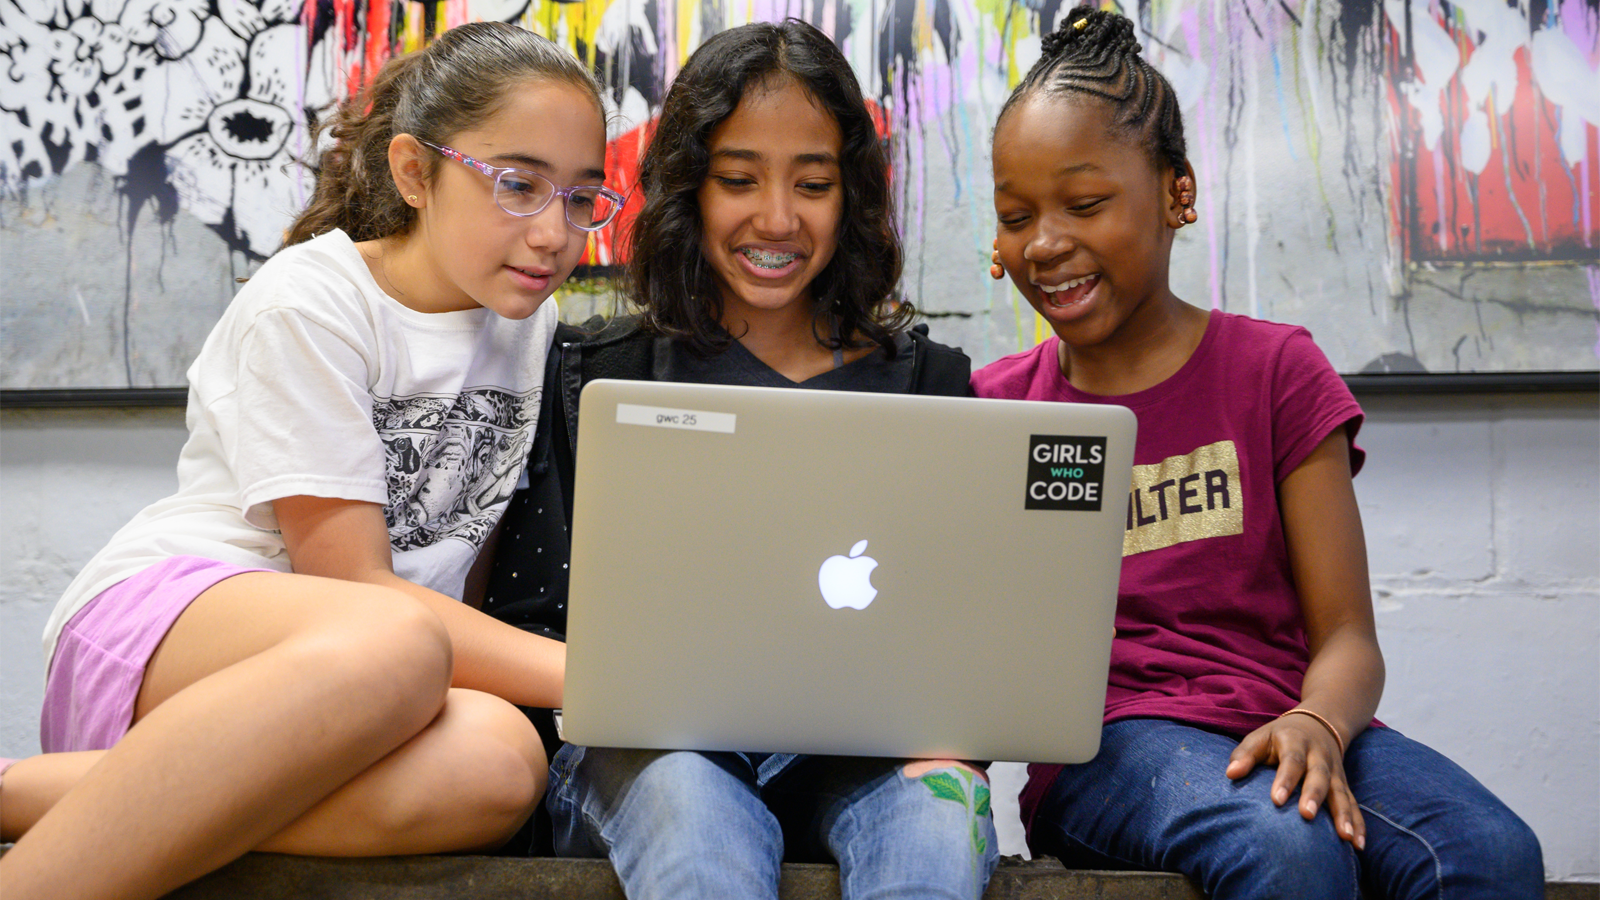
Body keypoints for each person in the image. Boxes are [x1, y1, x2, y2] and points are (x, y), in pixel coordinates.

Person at [0, 22, 622, 900]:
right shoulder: (313, 298)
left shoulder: (530, 327)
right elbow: (355, 588)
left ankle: (31, 796)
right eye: (518, 185)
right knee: (396, 636)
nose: (554, 232)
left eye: (581, 197)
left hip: (379, 678)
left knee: (501, 759)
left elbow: (462, 552)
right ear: (414, 172)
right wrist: (609, 679)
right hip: (172, 625)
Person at [971, 7, 1543, 899]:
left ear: (1177, 194)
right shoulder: (997, 410)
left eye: (1084, 204)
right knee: (1284, 850)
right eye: (1016, 216)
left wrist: (1317, 719)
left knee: (1487, 852)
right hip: (1110, 750)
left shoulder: (1275, 371)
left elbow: (1348, 633)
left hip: (1291, 716)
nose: (1044, 242)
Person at [481, 19, 997, 900]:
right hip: (651, 760)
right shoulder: (596, 374)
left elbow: (963, 636)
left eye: (814, 183)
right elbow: (531, 621)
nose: (778, 218)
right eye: (738, 179)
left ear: (853, 195)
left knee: (941, 827)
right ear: (688, 186)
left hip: (870, 759)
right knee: (696, 827)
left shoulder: (930, 381)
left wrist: (960, 731)